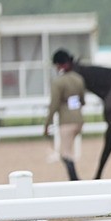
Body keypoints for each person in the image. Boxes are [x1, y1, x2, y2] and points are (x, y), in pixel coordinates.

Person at [43, 49, 87, 180]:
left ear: (59, 64)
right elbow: (82, 101)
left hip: (66, 121)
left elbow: (54, 105)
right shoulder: (79, 79)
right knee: (69, 151)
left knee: (66, 153)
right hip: (79, 120)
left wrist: (47, 123)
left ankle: (74, 179)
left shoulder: (58, 82)